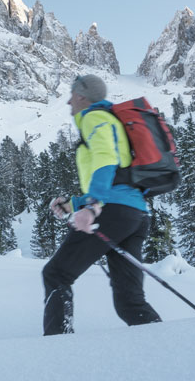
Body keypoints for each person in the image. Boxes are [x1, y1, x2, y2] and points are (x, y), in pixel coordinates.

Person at [42, 74, 162, 335]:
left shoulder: (93, 117)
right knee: (129, 301)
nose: (68, 102)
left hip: (112, 212)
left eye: (71, 96)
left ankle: (56, 346)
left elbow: (106, 160)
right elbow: (117, 176)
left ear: (81, 96)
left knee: (56, 273)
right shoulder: (110, 120)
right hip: (135, 214)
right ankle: (164, 346)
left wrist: (93, 206)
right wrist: (74, 204)